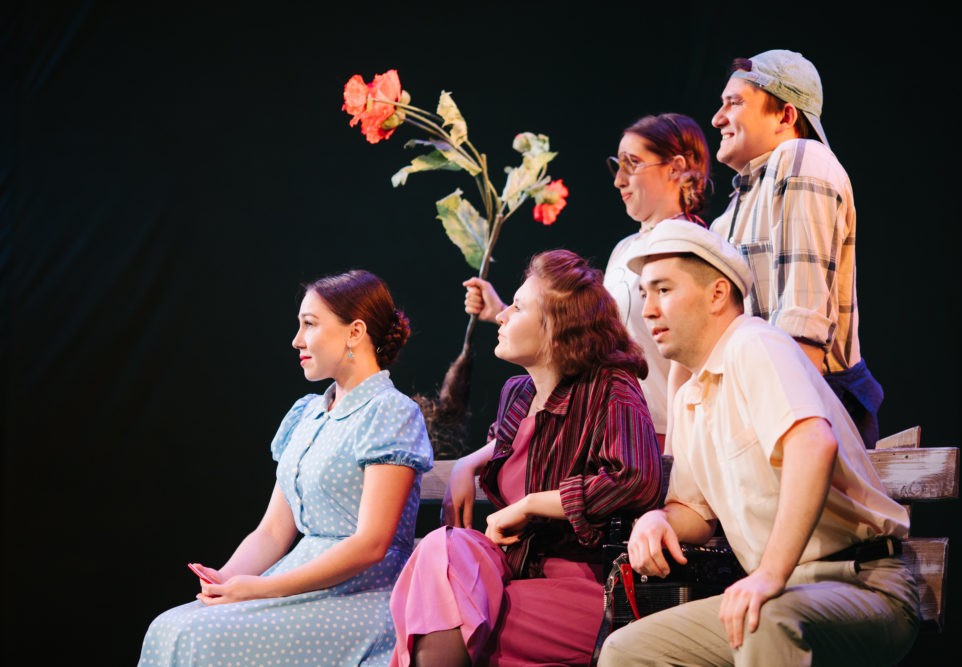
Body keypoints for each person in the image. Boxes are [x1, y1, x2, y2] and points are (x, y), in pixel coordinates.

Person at [596, 221, 920, 666]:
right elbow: (695, 511)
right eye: (644, 294)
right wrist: (659, 519)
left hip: (862, 584)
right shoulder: (691, 395)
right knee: (627, 651)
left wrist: (769, 574)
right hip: (781, 593)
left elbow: (813, 446)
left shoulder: (755, 344)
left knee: (762, 619)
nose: (648, 311)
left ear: (717, 294)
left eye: (664, 290)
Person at [138, 270, 434, 667]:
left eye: (309, 324)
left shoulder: (389, 412)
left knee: (195, 637)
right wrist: (227, 578)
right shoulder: (308, 413)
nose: (297, 340)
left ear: (355, 332)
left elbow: (370, 544)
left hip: (359, 595)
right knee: (168, 627)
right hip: (296, 581)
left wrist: (261, 588)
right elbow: (273, 531)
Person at [390, 249, 665, 666]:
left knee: (451, 614)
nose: (501, 316)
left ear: (558, 327)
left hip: (581, 584)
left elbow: (634, 479)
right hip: (511, 573)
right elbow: (511, 442)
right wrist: (468, 463)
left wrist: (532, 504)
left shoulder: (611, 388)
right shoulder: (518, 394)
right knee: (444, 548)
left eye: (517, 308)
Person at [463, 113, 711, 451]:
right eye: (617, 166)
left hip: (664, 433)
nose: (619, 180)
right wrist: (505, 312)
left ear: (675, 168)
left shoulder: (692, 247)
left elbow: (690, 357)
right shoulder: (625, 248)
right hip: (614, 425)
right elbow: (594, 338)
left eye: (632, 164)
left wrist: (674, 449)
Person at [708, 48, 883, 448]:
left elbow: (802, 328)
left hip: (807, 400)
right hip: (759, 399)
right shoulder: (732, 210)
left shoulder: (802, 159)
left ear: (786, 116)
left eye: (734, 103)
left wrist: (789, 434)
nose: (717, 118)